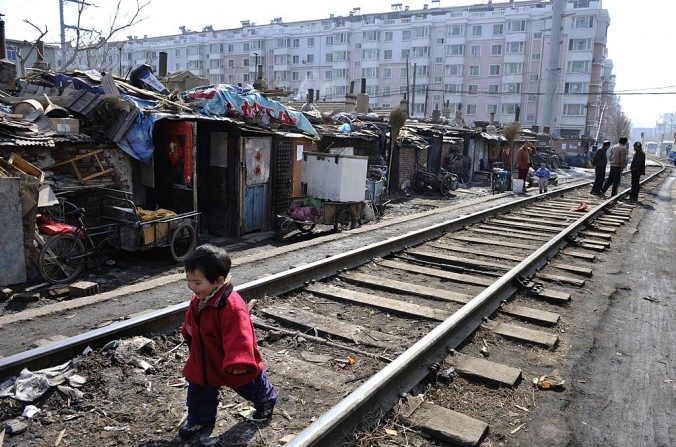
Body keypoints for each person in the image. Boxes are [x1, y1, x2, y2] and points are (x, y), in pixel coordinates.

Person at [179, 244, 278, 439]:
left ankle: (266, 400)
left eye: (197, 282)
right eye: (188, 280)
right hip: (205, 357)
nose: (192, 286)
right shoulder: (200, 298)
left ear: (219, 281)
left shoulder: (231, 307)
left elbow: (240, 336)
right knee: (199, 388)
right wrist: (188, 333)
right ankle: (201, 418)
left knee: (248, 384)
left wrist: (239, 362)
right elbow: (192, 320)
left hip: (231, 361)